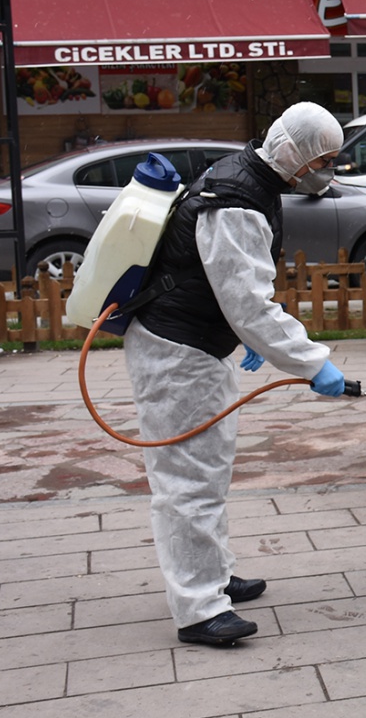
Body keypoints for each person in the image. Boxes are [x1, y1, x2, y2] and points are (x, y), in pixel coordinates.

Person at [126, 103, 349, 647]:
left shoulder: (250, 178)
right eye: (322, 160)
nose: (327, 171)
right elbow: (247, 301)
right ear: (293, 152)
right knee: (187, 481)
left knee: (209, 467)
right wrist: (311, 361)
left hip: (196, 343)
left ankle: (215, 575)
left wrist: (246, 337)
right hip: (176, 350)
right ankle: (199, 610)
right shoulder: (237, 200)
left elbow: (234, 289)